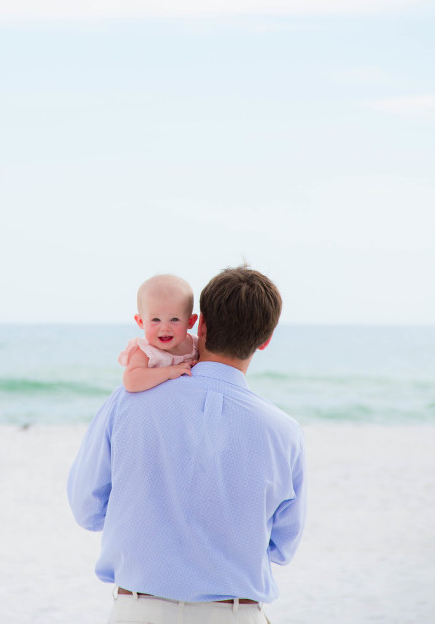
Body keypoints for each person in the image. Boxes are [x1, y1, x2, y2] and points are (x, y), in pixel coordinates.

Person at [67, 266, 307, 624]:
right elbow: (282, 548)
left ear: (201, 325)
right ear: (265, 340)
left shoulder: (128, 401)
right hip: (235, 613)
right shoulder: (285, 432)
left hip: (139, 610)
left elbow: (87, 508)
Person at [118, 274, 199, 392]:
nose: (165, 328)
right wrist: (171, 371)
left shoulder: (196, 345)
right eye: (156, 320)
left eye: (174, 319)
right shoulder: (145, 352)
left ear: (190, 321)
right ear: (141, 322)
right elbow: (131, 382)